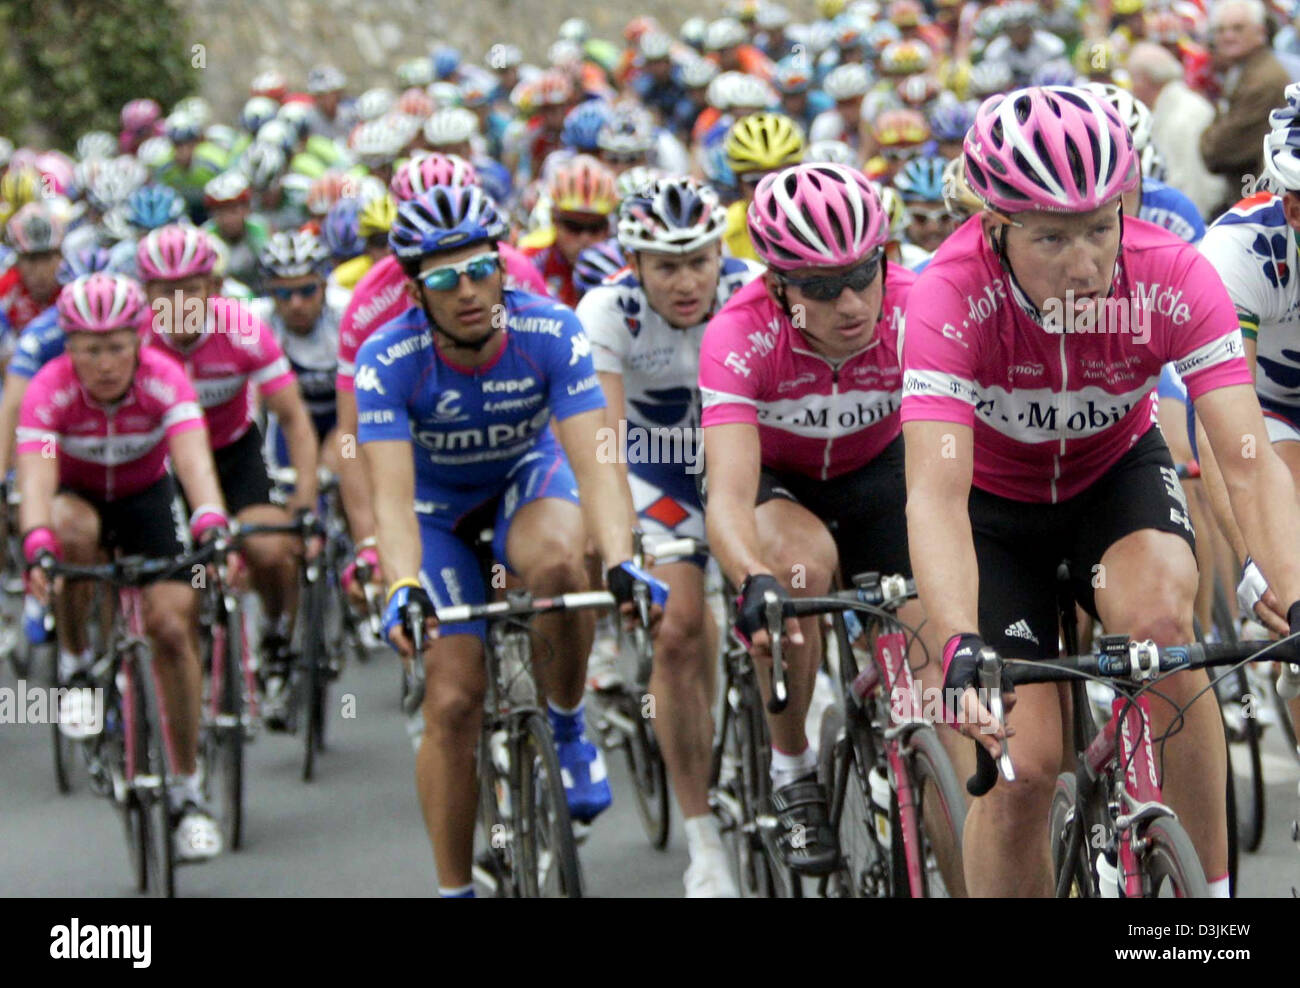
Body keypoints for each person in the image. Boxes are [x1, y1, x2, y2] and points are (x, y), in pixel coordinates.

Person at [900, 85, 1300, 897]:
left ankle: (1207, 912)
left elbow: (1248, 455)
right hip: (992, 513)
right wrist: (953, 643)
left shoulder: (1172, 272)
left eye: (1100, 226)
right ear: (995, 225)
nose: (1083, 262)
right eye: (1050, 237)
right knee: (1023, 769)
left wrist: (1293, 593)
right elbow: (935, 497)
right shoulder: (947, 294)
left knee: (1163, 634)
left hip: (1112, 479)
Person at [355, 185, 663, 897]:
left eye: (479, 268)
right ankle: (454, 887)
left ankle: (565, 725)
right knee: (454, 699)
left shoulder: (550, 331)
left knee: (562, 559)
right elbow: (392, 504)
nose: (467, 290)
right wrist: (400, 583)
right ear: (415, 291)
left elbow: (598, 463)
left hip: (526, 482)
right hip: (436, 515)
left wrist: (620, 560)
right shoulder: (387, 359)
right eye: (441, 278)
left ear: (502, 265)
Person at [698, 163, 926, 878]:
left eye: (864, 274)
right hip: (781, 484)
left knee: (930, 636)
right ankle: (792, 766)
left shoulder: (917, 310)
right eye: (822, 289)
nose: (852, 303)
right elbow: (728, 499)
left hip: (877, 475)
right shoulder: (741, 335)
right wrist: (751, 577)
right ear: (777, 288)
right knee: (797, 577)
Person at [577, 176, 762, 896]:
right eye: (665, 265)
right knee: (680, 627)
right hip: (659, 478)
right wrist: (623, 550)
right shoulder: (605, 312)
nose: (686, 282)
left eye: (699, 260)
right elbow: (605, 448)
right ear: (634, 262)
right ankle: (703, 837)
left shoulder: (755, 291)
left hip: (743, 469)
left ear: (723, 251)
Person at [18, 273, 229, 861]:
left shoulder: (165, 379)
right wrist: (36, 543)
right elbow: (35, 481)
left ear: (140, 340)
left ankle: (187, 790)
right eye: (89, 349)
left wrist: (211, 518)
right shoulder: (48, 389)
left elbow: (194, 464)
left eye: (117, 346)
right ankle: (79, 660)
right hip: (78, 500)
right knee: (68, 534)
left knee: (169, 628)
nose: (105, 363)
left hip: (147, 500)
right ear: (69, 347)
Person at [137, 224, 320, 730]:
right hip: (163, 464)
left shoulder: (241, 329)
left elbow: (294, 419)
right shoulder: (133, 341)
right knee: (180, 585)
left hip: (235, 453)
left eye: (190, 289)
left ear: (213, 291)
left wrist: (304, 499)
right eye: (164, 291)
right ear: (145, 294)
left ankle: (278, 634)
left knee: (271, 547)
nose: (177, 303)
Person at [1199, 0, 1291, 215]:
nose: (1228, 36)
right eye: (1220, 30)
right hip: (1250, 198)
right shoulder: (1243, 70)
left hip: (1263, 205)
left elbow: (1215, 151)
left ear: (1261, 32)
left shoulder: (1263, 81)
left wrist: (1209, 137)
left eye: (1238, 28)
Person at [1128, 42, 1228, 218]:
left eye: (1133, 79)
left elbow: (1194, 184)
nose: (1131, 89)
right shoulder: (1170, 108)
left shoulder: (1184, 115)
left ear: (1145, 80)